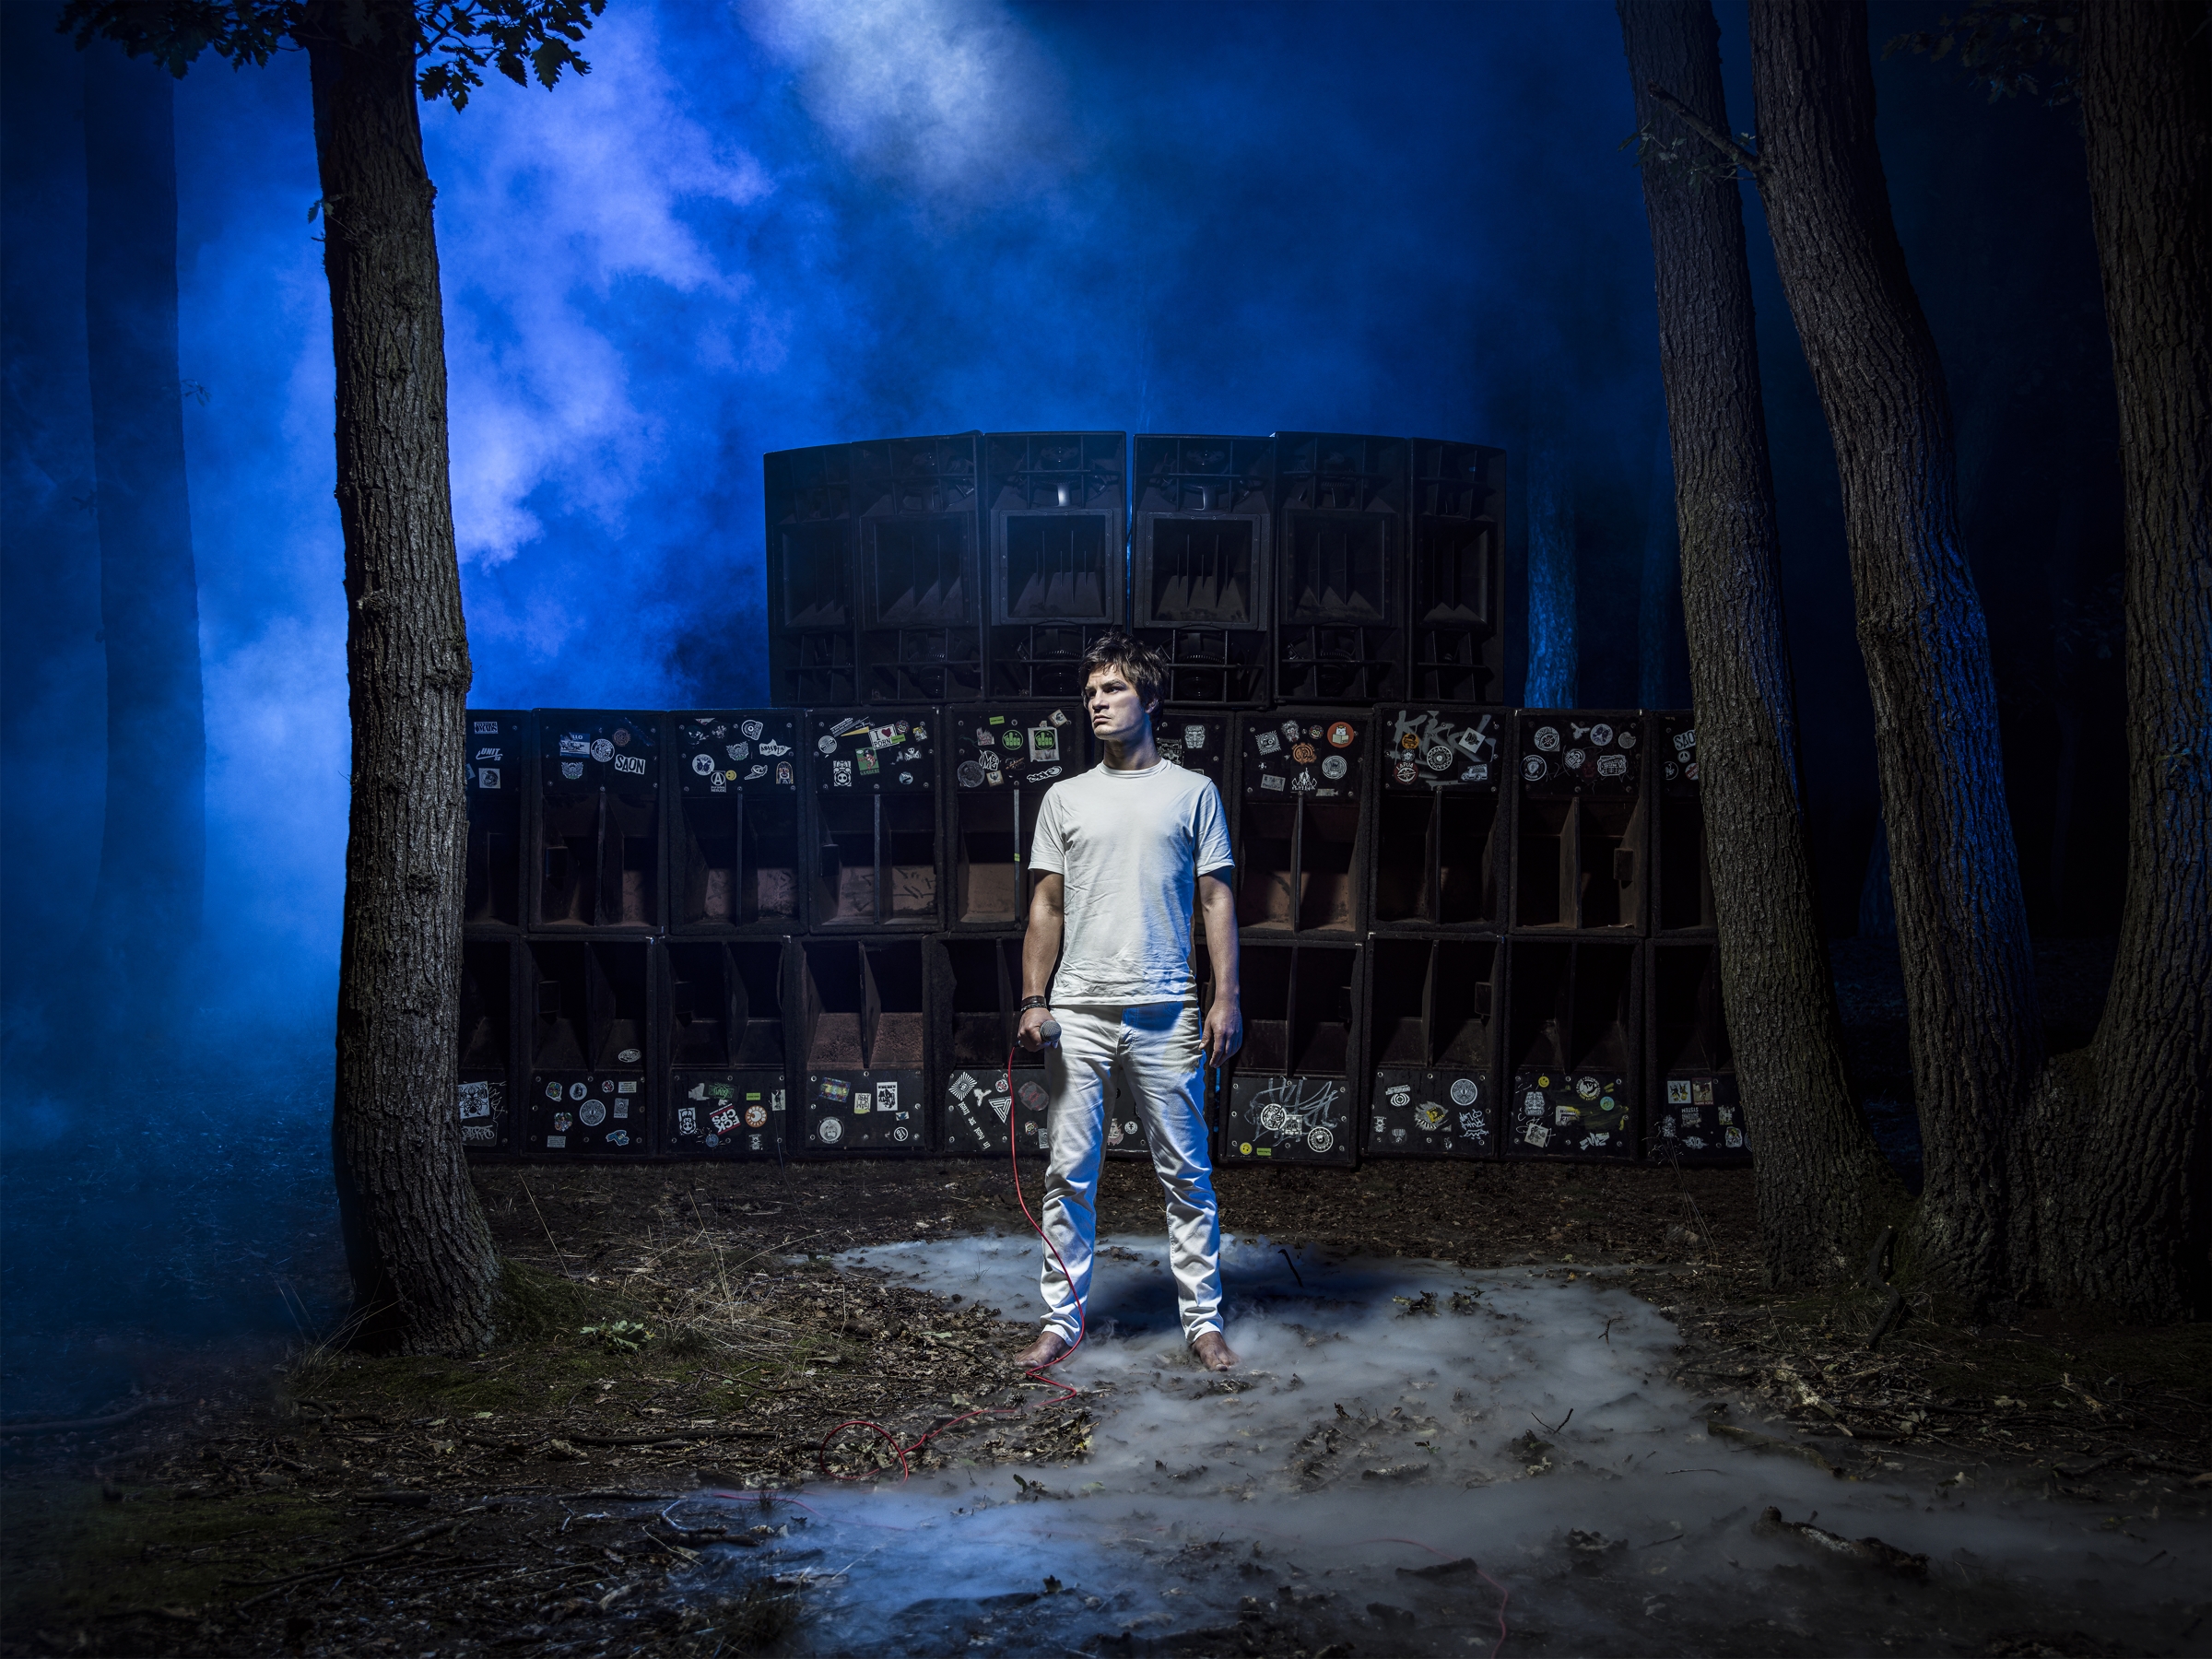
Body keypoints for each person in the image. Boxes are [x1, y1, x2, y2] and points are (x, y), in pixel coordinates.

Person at [1015, 633, 1242, 1373]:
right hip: (1077, 1012)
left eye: (1112, 689)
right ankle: (1060, 1323)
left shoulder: (1193, 792)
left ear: (1150, 697)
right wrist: (1033, 998)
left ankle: (1203, 1324)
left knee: (1187, 1176)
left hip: (1168, 1008)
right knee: (1068, 1174)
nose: (1098, 703)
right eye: (1090, 694)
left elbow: (1216, 900)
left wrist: (1225, 998)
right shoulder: (1065, 798)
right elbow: (1047, 907)